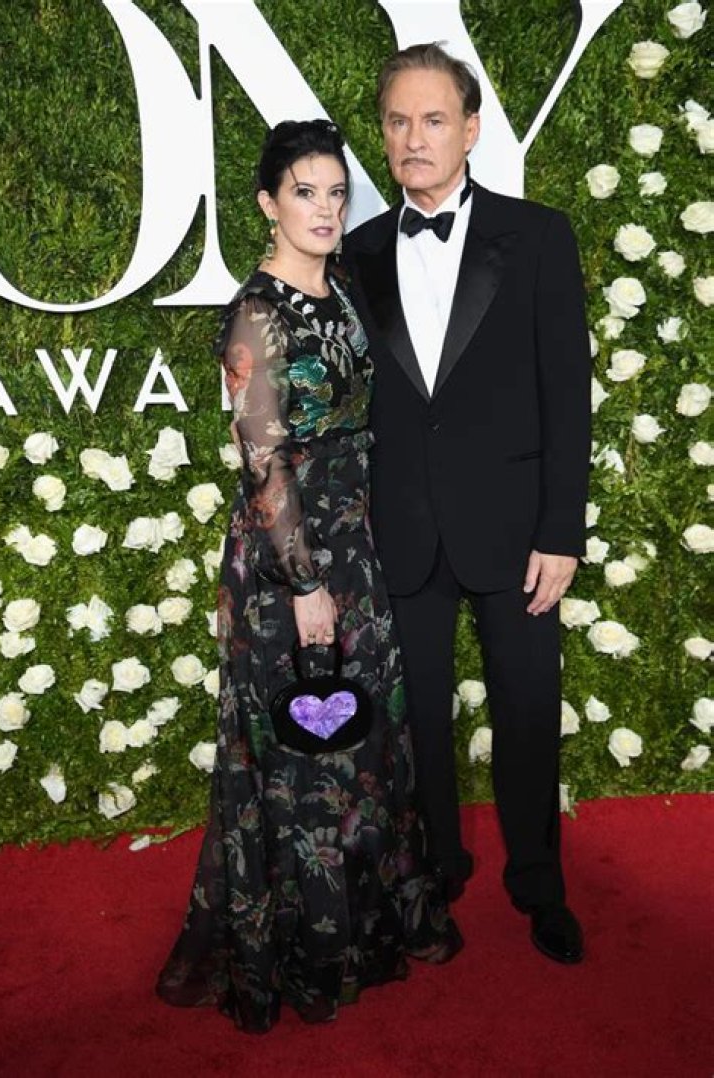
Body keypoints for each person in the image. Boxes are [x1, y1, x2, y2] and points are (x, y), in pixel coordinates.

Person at [155, 119, 462, 1034]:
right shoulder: (255, 313)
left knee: (364, 746)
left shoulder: (343, 291)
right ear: (267, 203)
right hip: (290, 559)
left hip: (357, 544)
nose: (325, 210)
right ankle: (307, 951)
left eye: (336, 193)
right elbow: (264, 460)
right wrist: (304, 584)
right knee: (302, 755)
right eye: (305, 193)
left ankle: (367, 928)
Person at [344, 43, 591, 964]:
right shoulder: (359, 253)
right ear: (383, 135)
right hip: (403, 528)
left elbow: (567, 394)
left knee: (528, 709)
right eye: (398, 121)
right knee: (418, 721)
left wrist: (561, 530)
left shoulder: (538, 237)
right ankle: (435, 870)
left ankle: (540, 884)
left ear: (472, 129)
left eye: (434, 119)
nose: (415, 138)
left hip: (518, 531)